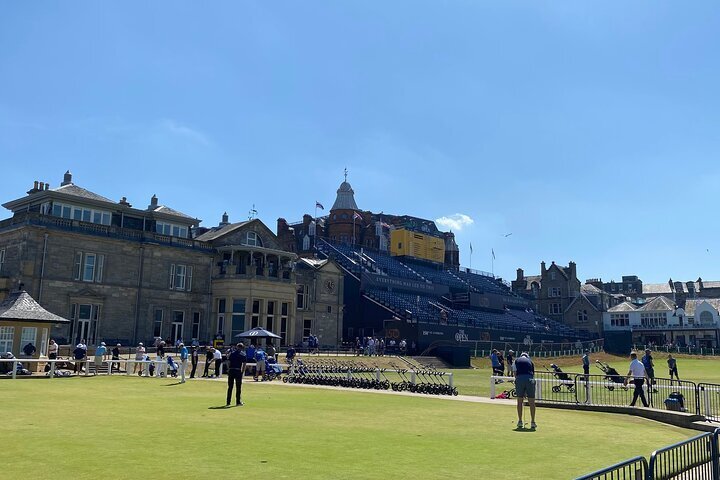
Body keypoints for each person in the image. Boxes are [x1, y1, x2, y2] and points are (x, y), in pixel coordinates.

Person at [514, 352, 537, 429]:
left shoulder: (516, 360)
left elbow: (515, 373)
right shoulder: (531, 361)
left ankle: (520, 421)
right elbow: (533, 374)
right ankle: (533, 422)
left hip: (520, 378)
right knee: (532, 401)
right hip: (530, 379)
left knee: (519, 401)